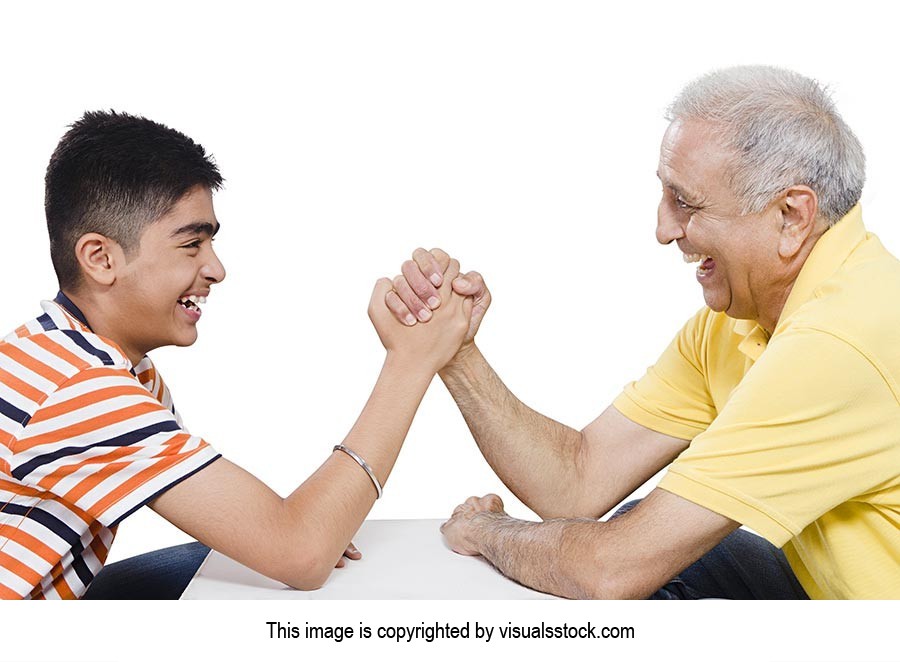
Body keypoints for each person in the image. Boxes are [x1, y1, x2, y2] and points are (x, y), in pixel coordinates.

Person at [385, 66, 900, 599]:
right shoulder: (739, 320)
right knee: (632, 528)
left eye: (686, 203)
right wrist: (457, 352)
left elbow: (609, 571)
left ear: (792, 216)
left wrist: (489, 533)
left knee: (621, 557)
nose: (663, 230)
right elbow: (580, 481)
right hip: (832, 599)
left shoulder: (838, 344)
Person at [0, 111, 471, 599]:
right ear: (100, 258)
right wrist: (411, 361)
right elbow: (300, 553)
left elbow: (271, 531)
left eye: (212, 242)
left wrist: (305, 530)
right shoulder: (77, 388)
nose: (216, 268)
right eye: (191, 244)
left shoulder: (101, 365)